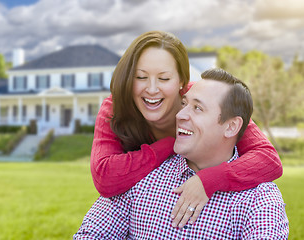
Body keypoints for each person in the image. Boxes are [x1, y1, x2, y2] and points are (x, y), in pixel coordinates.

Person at [90, 30, 282, 227]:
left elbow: (268, 159)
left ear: (181, 81)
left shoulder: (203, 100)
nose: (152, 89)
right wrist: (171, 144)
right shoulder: (115, 108)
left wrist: (208, 180)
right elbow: (105, 177)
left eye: (164, 79)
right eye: (140, 77)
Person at [74, 68, 289, 239]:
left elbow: (268, 158)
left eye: (197, 108)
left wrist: (209, 180)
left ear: (231, 127)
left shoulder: (260, 200)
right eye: (184, 104)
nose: (180, 114)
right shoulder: (142, 175)